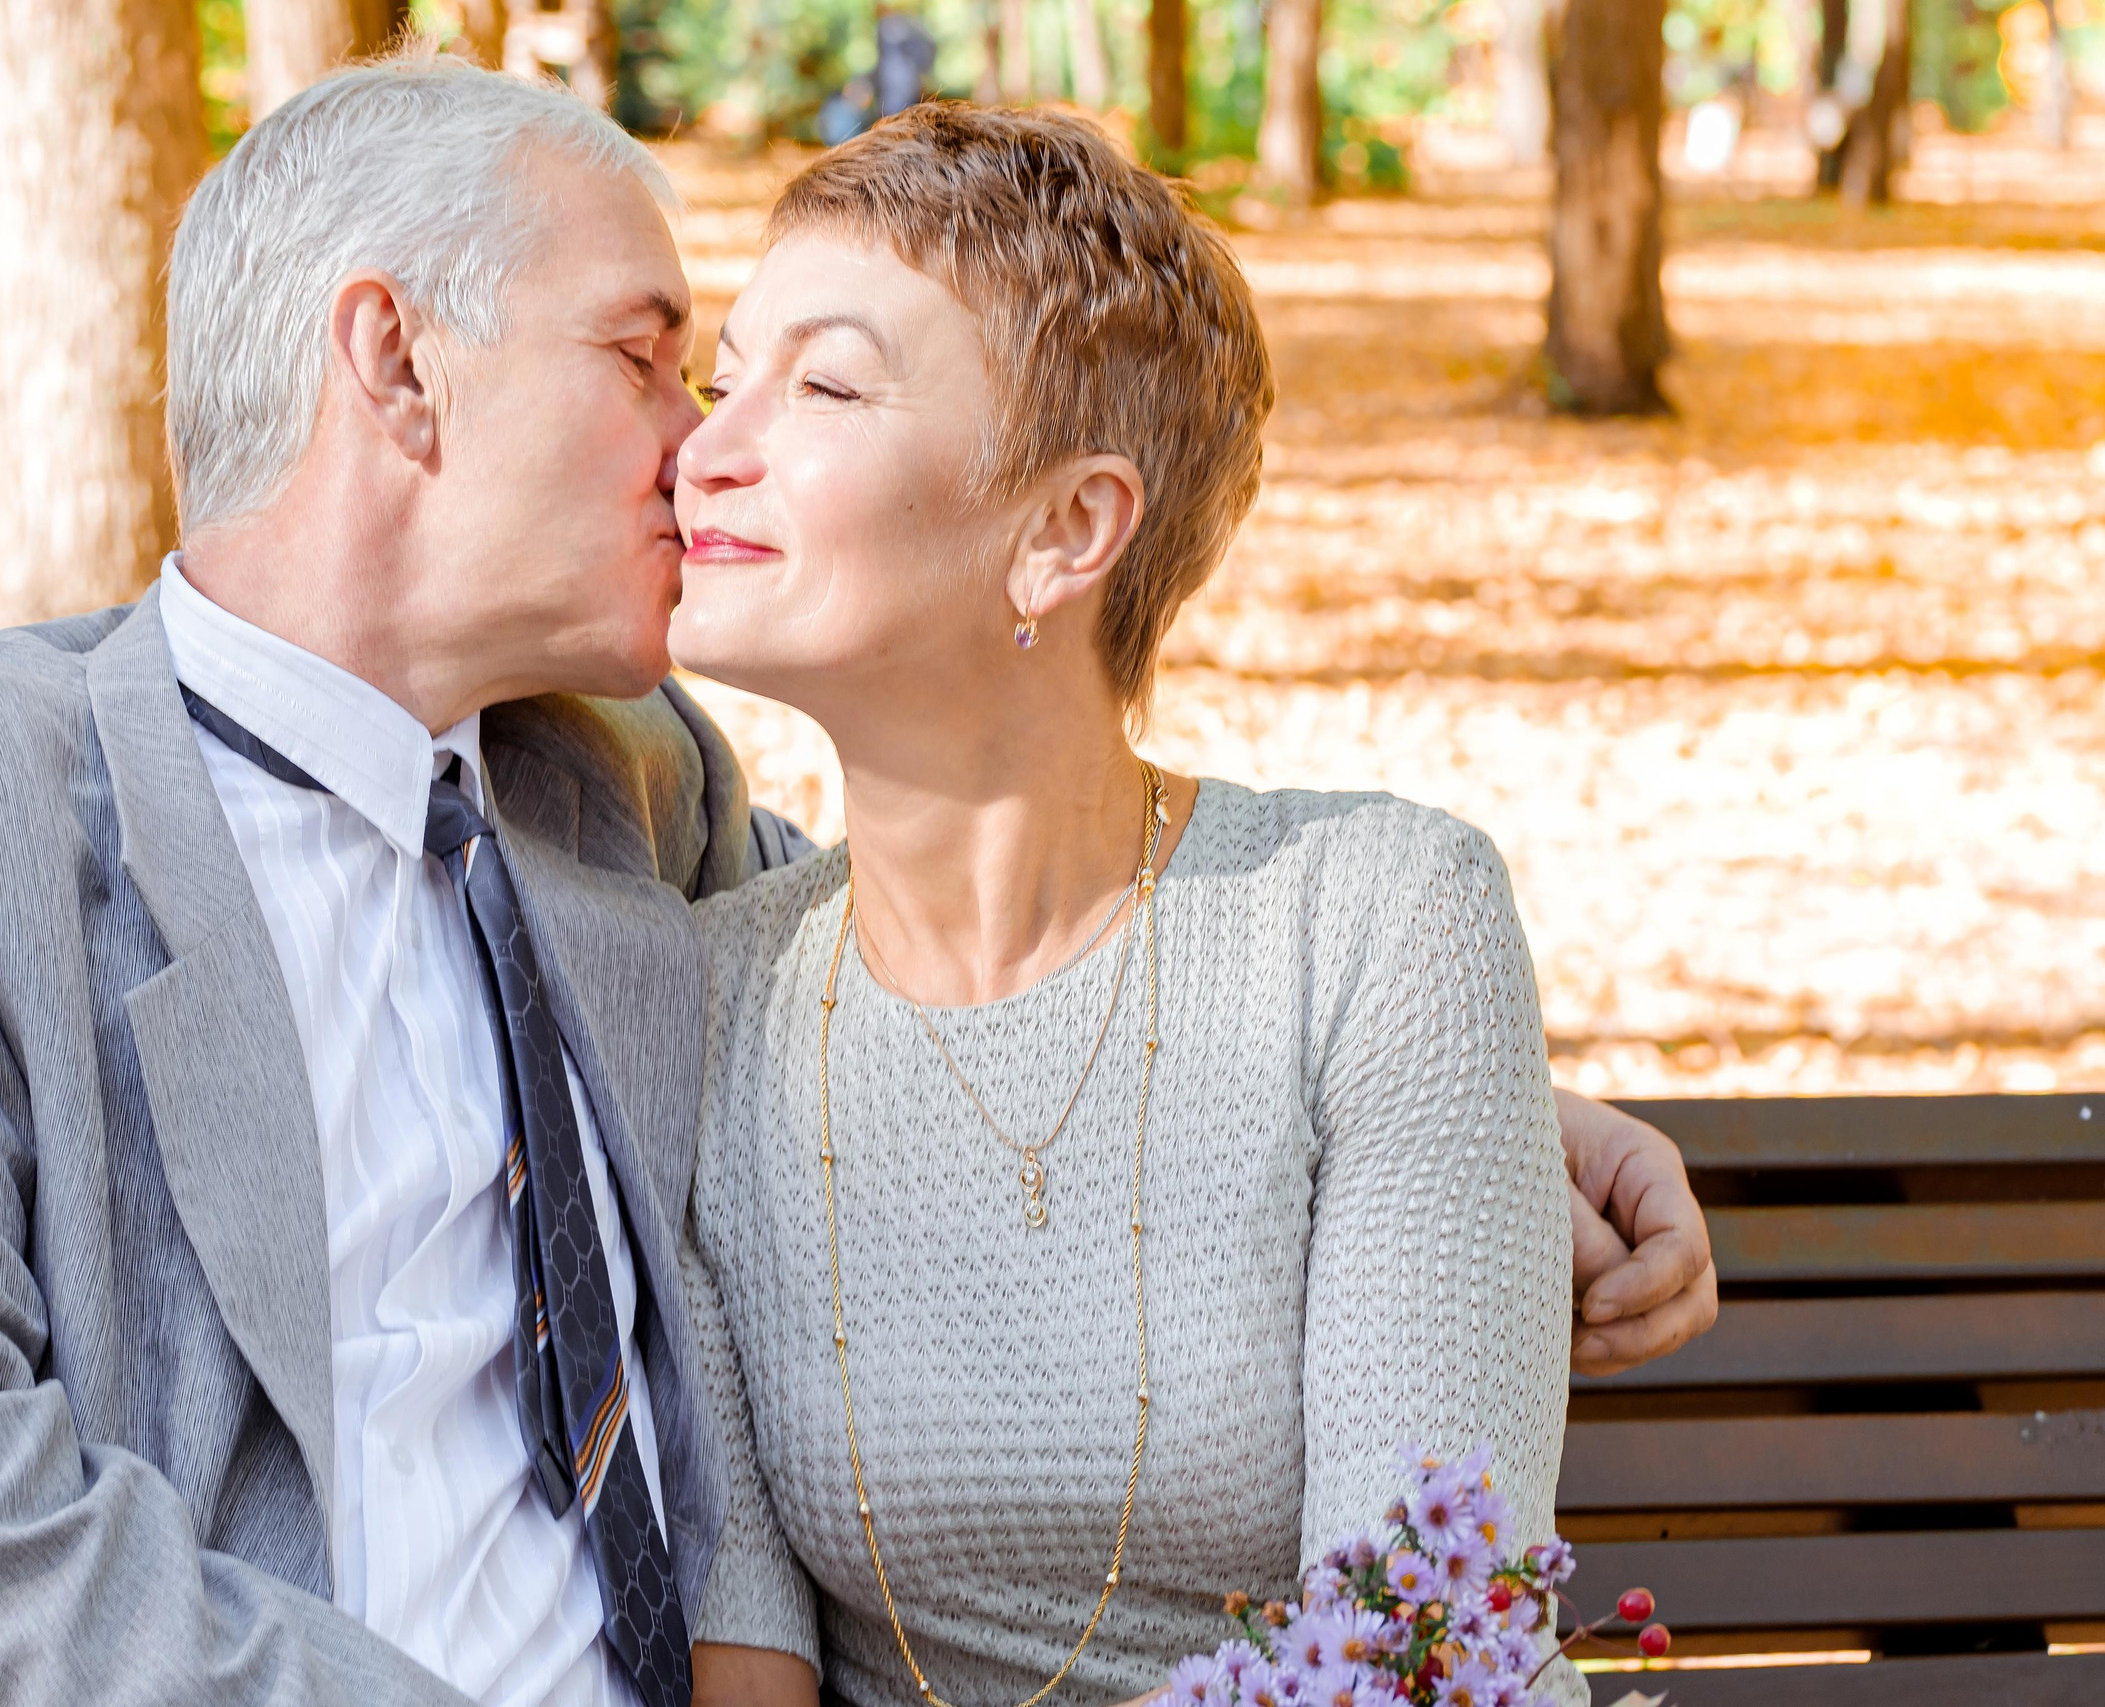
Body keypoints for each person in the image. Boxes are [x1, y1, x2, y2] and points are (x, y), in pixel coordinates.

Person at [0, 55, 1703, 1707]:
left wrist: (1468, 1108)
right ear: (398, 367)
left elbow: (999, 958)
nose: (697, 440)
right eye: (651, 356)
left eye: (756, 381)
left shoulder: (616, 793)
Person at [670, 106, 1606, 1707]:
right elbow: (746, 1671)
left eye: (821, 385)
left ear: (1065, 532)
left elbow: (1426, 1657)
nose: (708, 449)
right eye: (718, 379)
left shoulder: (1375, 923)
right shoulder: (706, 1007)